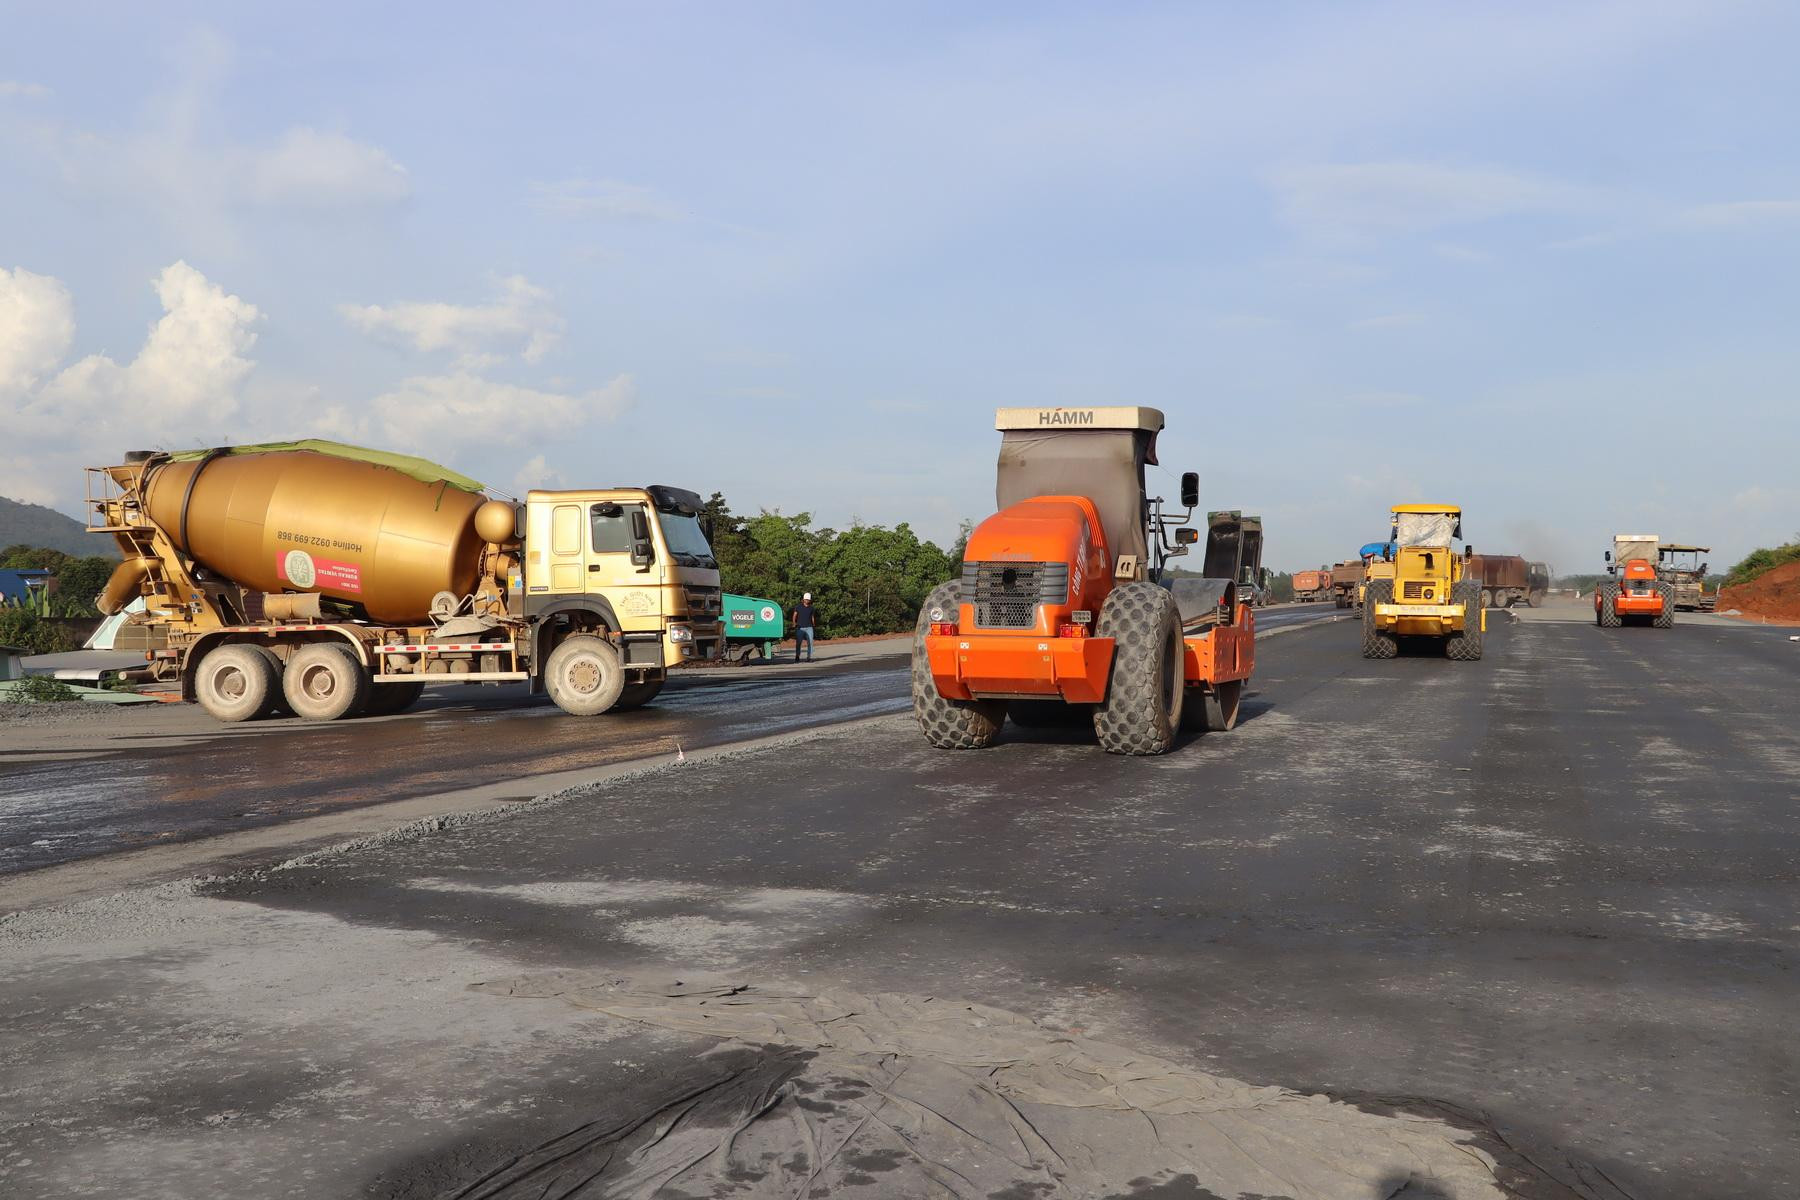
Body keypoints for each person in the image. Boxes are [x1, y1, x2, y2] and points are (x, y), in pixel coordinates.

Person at [792, 592, 817, 661]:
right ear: (803, 599)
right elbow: (794, 615)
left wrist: (814, 624)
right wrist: (794, 623)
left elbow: (812, 617)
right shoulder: (798, 607)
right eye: (806, 599)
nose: (807, 601)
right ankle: (797, 656)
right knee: (799, 643)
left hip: (809, 627)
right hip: (800, 627)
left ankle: (809, 657)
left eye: (808, 600)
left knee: (810, 642)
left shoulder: (811, 608)